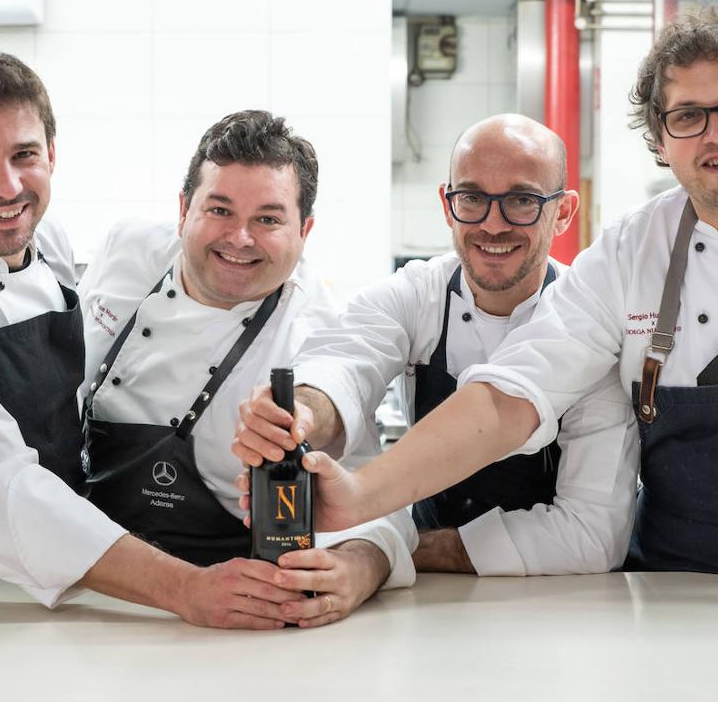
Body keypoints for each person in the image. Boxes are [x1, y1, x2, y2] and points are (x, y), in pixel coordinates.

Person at [234, 11, 718, 654]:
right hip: (670, 595)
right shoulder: (634, 252)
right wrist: (360, 495)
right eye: (687, 116)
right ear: (662, 139)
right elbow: (513, 393)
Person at [0, 48, 304, 630]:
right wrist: (185, 588)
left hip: (45, 591)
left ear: (51, 154)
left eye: (24, 155)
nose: (7, 187)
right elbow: (2, 491)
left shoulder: (42, 239)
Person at [234, 114, 638, 575]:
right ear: (447, 205)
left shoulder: (591, 325)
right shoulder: (416, 294)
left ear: (563, 212)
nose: (492, 224)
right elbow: (345, 358)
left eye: (521, 201)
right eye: (472, 198)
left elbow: (590, 537)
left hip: (555, 601)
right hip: (424, 597)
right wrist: (302, 414)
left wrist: (399, 551)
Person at [79, 110, 415, 628]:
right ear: (184, 209)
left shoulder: (315, 335)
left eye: (269, 219)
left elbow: (376, 497)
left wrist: (359, 567)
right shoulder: (127, 250)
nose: (240, 238)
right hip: (79, 581)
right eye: (220, 210)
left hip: (217, 607)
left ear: (304, 231)